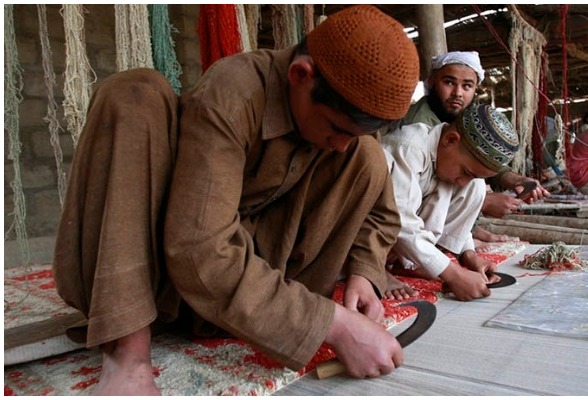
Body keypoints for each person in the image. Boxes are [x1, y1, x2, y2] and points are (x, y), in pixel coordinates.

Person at [52, 5, 419, 395]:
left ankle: (275, 315)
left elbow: (380, 214)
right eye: (336, 128)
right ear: (300, 75)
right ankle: (126, 352)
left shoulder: (340, 132)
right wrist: (335, 325)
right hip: (166, 284)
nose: (340, 145)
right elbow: (198, 249)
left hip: (246, 298)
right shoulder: (233, 93)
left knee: (365, 156)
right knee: (133, 92)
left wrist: (363, 272)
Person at [382, 104, 520, 301]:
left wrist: (468, 256)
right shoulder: (408, 148)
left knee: (476, 186)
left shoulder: (447, 159)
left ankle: (411, 262)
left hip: (394, 239)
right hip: (362, 232)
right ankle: (375, 267)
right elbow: (400, 220)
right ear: (451, 139)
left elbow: (454, 203)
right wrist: (452, 274)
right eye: (466, 172)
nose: (463, 181)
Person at [403, 51, 548, 218]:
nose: (458, 93)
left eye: (467, 86)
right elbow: (418, 195)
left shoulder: (462, 117)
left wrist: (516, 180)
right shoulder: (416, 127)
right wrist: (482, 201)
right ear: (432, 81)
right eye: (449, 82)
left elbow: (476, 157)